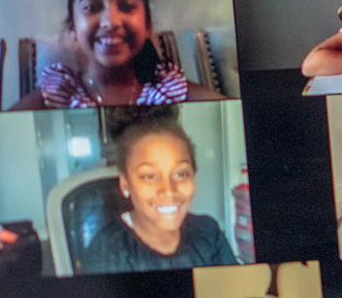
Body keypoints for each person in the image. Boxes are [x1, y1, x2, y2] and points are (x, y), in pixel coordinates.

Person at [13, 0, 226, 109]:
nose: (110, 22)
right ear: (73, 27)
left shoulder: (169, 90)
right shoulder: (58, 94)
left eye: (126, 6)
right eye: (93, 7)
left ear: (147, 24)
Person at [81, 117, 240, 273]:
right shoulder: (108, 251)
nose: (169, 190)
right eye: (150, 176)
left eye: (181, 173)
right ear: (125, 184)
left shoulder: (209, 233)